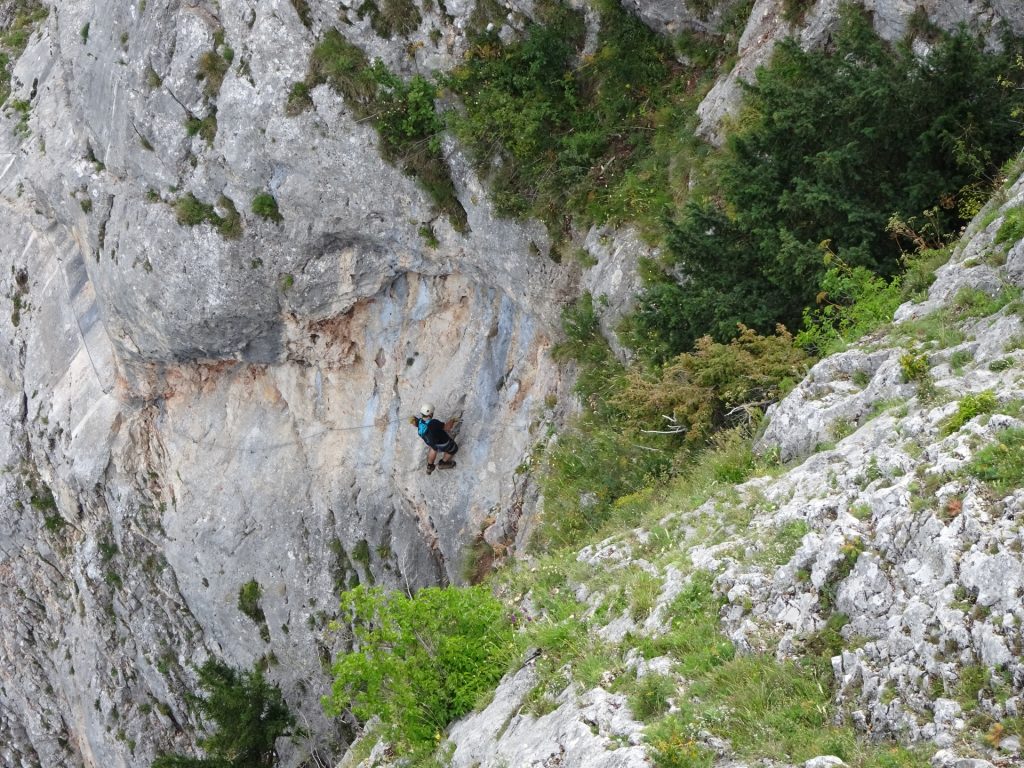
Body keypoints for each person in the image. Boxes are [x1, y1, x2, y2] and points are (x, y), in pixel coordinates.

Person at [411, 403, 458, 474]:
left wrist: (413, 419)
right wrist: (453, 420)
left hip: (432, 443)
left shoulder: (419, 422)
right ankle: (443, 463)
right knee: (453, 449)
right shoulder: (433, 423)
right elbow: (447, 427)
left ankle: (430, 466)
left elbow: (415, 423)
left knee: (433, 449)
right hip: (443, 443)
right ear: (430, 414)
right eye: (432, 412)